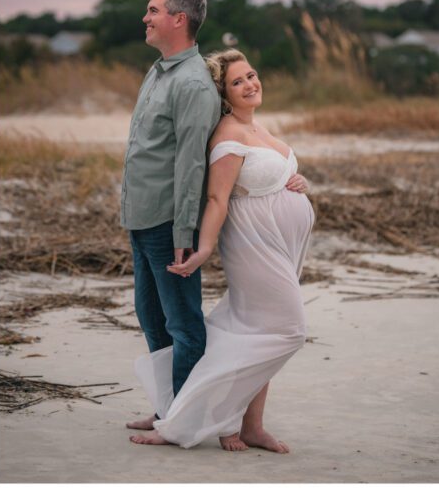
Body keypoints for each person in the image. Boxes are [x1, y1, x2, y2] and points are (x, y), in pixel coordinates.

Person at [130, 49, 314, 451]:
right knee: (288, 331)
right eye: (237, 82)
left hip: (283, 246)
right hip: (254, 246)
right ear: (224, 95)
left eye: (251, 75)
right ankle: (196, 414)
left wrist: (297, 181)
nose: (250, 84)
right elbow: (217, 199)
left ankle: (250, 425)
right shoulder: (228, 135)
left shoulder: (260, 129)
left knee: (257, 329)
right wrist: (204, 249)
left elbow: (267, 177)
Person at [123, 0, 221, 434]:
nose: (146, 18)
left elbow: (190, 167)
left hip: (168, 223)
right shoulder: (159, 70)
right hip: (141, 220)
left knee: (183, 325)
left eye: (153, 10)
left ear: (178, 19)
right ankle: (168, 409)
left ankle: (185, 420)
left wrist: (185, 236)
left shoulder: (193, 82)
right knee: (152, 318)